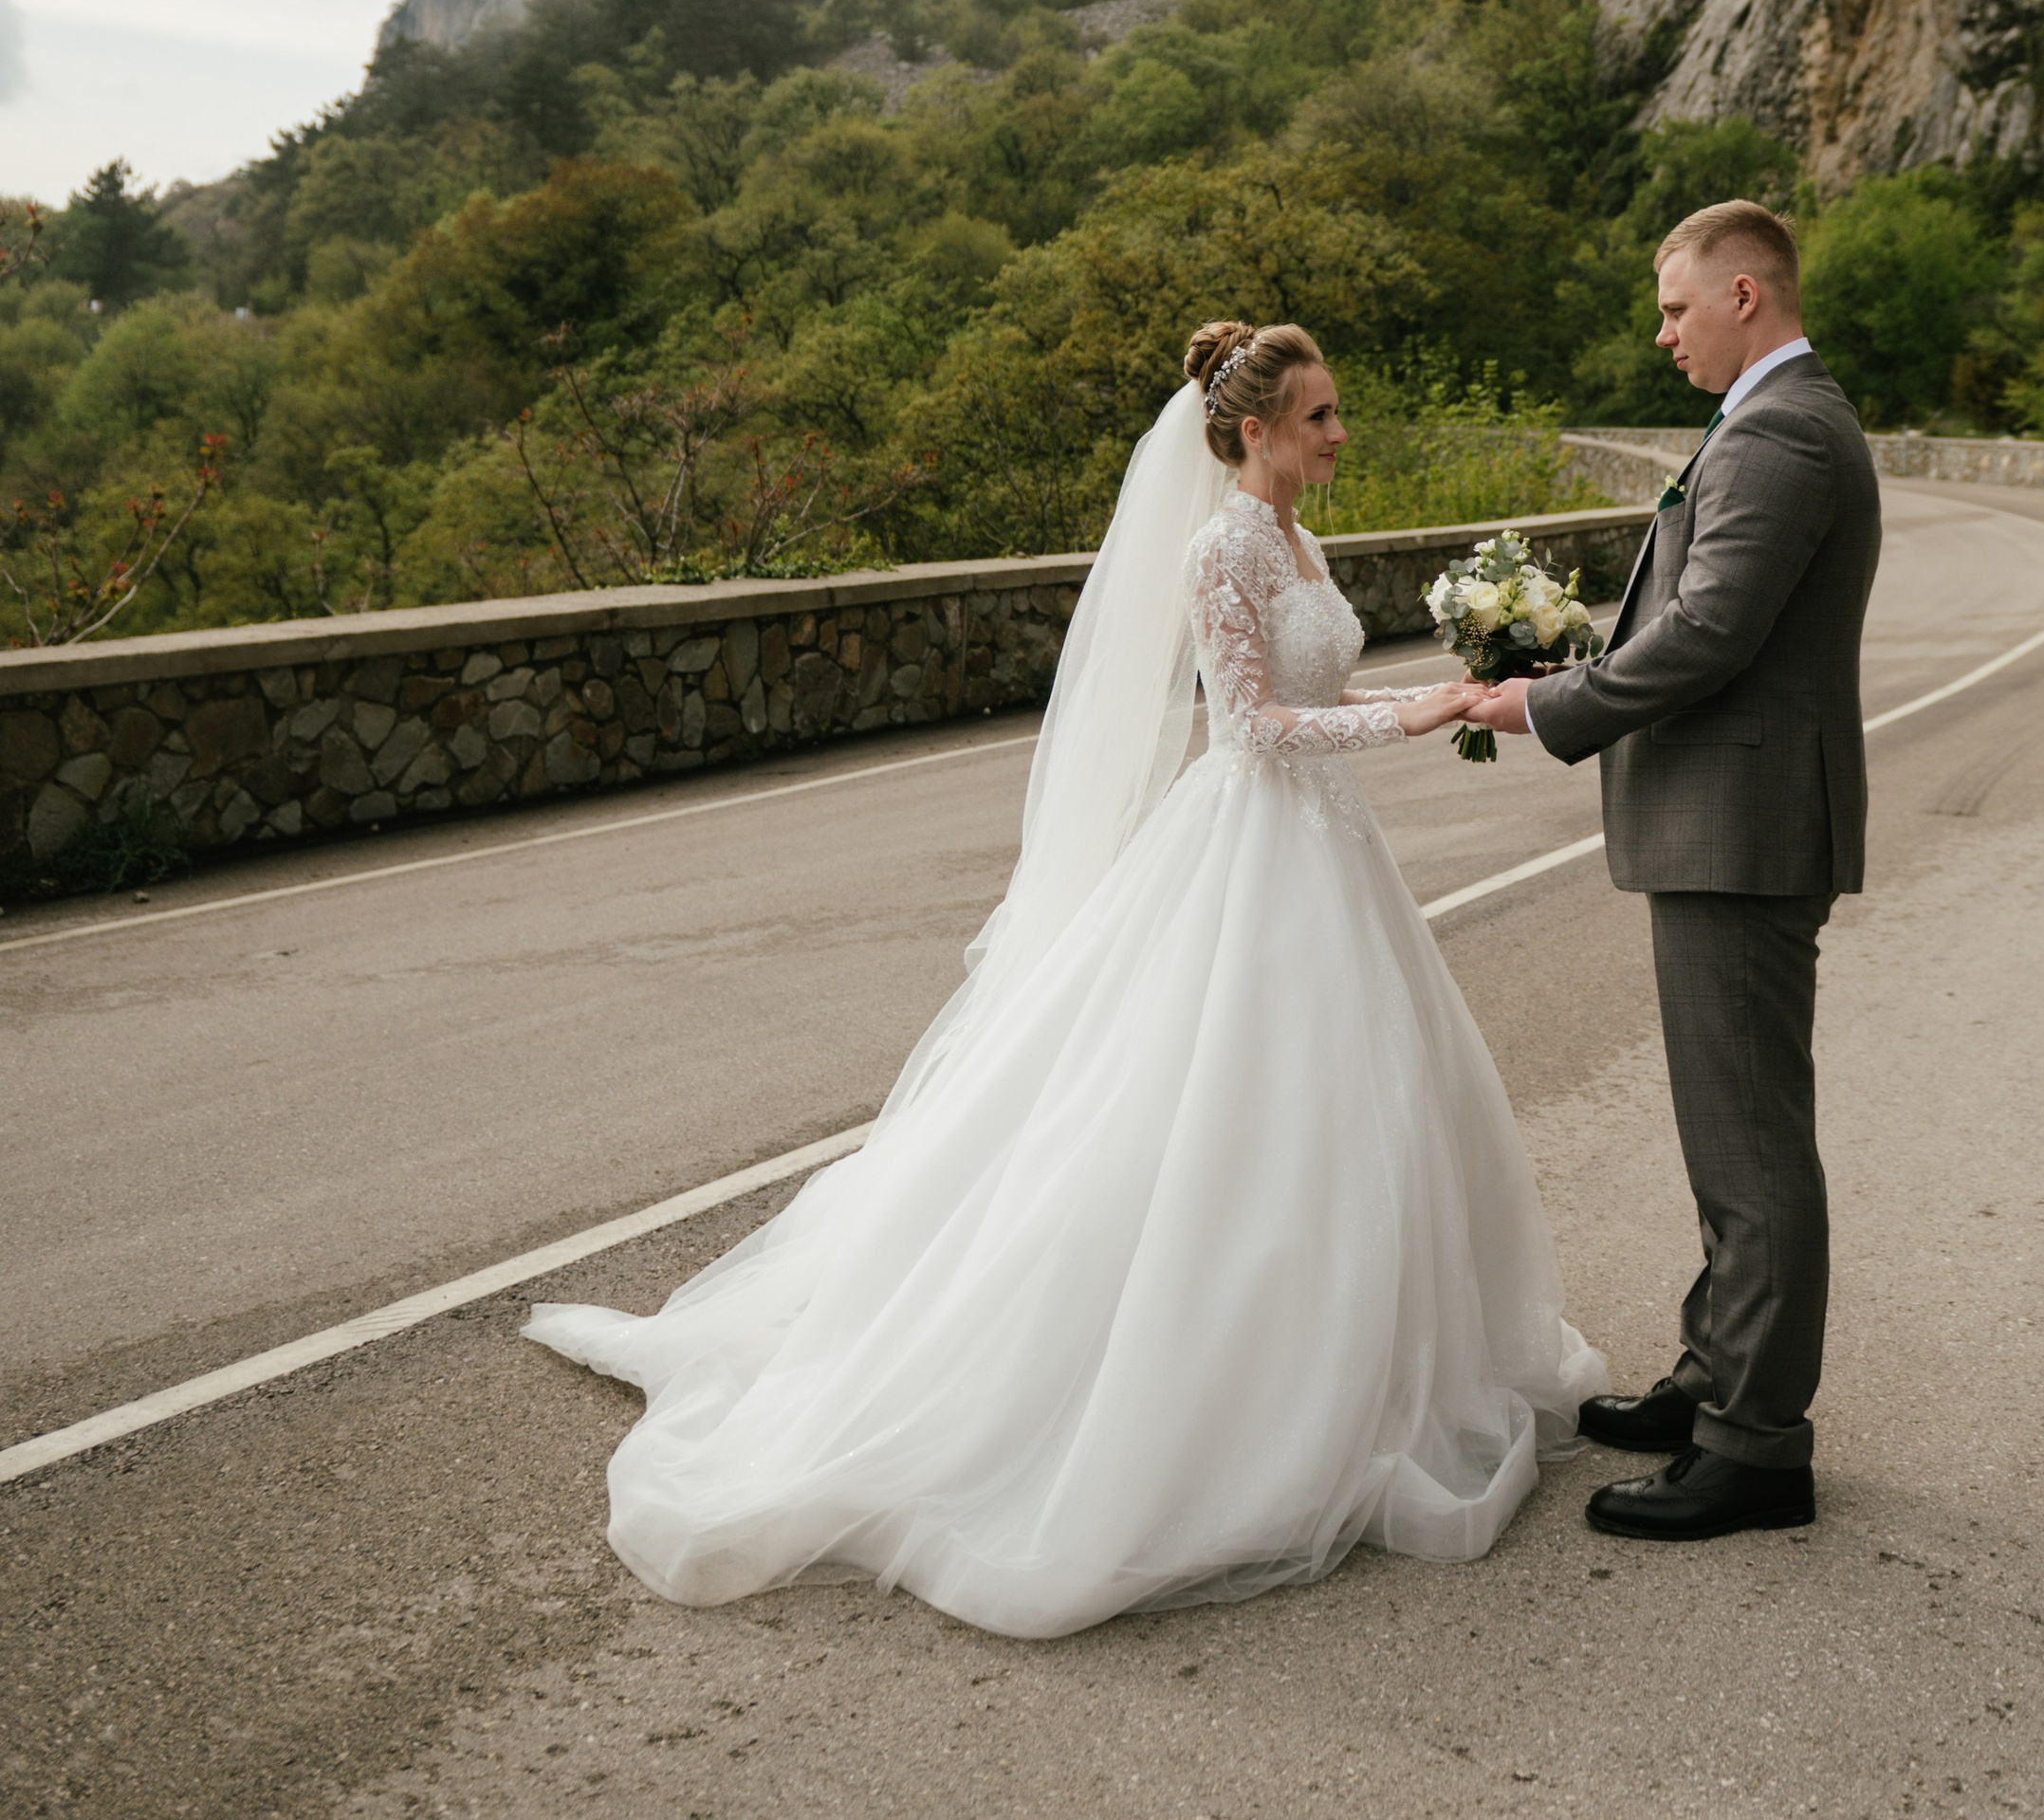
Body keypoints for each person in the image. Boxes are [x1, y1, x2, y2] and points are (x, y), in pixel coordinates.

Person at [526, 319, 1606, 1635]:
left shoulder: (1298, 540)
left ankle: (1366, 1366)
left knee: (1359, 1110)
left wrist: (1451, 681)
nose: (1337, 434)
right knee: (1223, 1111)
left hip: (1331, 852)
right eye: (1317, 416)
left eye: (1335, 412)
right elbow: (1252, 726)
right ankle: (1226, 1394)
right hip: (1256, 850)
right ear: (1252, 429)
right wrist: (1415, 714)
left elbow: (1308, 679)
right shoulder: (1220, 545)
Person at [1466, 197, 1878, 1542]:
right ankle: (1715, 1376)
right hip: (1727, 822)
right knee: (1727, 1131)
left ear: (1746, 296)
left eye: (1676, 306)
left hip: (1744, 830)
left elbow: (1707, 632)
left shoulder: (1784, 430)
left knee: (1753, 1141)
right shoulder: (1763, 423)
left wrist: (1555, 706)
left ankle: (1757, 1448)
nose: (1663, 334)